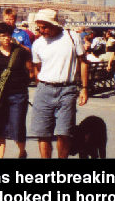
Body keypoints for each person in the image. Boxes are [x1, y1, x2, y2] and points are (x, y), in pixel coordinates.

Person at [29, 9, 88, 159]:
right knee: (43, 134)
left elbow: (83, 62)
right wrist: (40, 86)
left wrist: (85, 89)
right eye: (39, 28)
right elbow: (37, 68)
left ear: (54, 24)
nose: (42, 31)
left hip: (67, 89)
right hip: (44, 89)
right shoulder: (37, 44)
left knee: (64, 133)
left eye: (45, 27)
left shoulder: (72, 37)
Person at [0, 23, 33, 159]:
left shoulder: (21, 52)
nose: (6, 38)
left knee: (17, 127)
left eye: (8, 35)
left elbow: (30, 71)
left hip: (18, 94)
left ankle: (22, 152)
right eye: (3, 36)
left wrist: (22, 84)